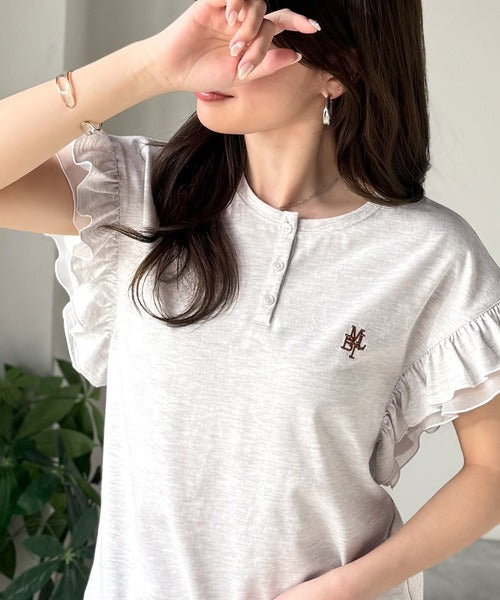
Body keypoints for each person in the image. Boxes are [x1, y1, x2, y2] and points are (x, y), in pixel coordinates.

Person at [1, 1, 499, 599]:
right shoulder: (138, 193)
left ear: (338, 69)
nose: (220, 59)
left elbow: (492, 468)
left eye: (255, 38)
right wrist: (154, 65)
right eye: (216, 29)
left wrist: (343, 589)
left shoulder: (430, 255)